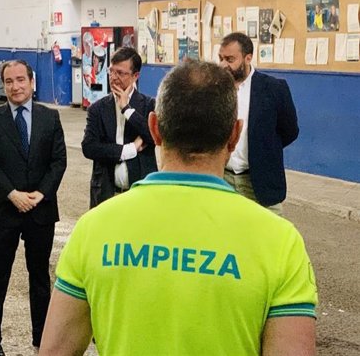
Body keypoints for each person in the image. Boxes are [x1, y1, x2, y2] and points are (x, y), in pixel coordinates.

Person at [40, 60, 317, 356]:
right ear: (235, 136)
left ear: (155, 128)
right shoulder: (281, 243)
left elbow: (55, 351)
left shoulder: (92, 230)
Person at [0, 60, 66, 356]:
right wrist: (12, 194)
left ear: (31, 81)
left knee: (40, 277)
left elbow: (58, 161)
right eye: (8, 81)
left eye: (20, 80)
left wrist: (41, 193)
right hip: (4, 210)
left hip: (40, 211)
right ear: (3, 85)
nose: (15, 86)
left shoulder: (50, 118)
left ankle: (42, 339)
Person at [218, 32, 299, 213]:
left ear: (248, 58)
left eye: (230, 59)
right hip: (223, 180)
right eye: (221, 58)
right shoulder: (214, 89)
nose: (223, 65)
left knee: (268, 238)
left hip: (259, 181)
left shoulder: (274, 89)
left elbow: (290, 131)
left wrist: (263, 149)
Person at [81, 47, 157, 208]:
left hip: (139, 195)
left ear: (135, 76)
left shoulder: (149, 105)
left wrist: (127, 110)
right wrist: (131, 149)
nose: (114, 78)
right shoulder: (97, 109)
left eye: (120, 73)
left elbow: (154, 137)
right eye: (111, 72)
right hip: (107, 193)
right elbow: (89, 148)